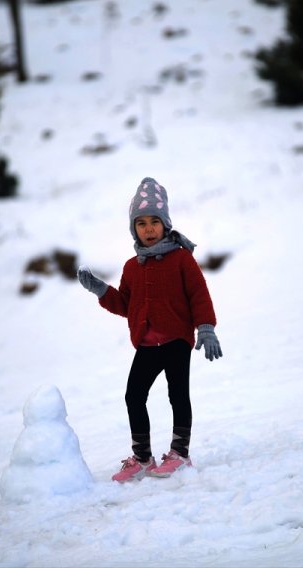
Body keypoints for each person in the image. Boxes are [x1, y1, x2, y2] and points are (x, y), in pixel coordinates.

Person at [77, 177, 223, 482]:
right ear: (134, 228)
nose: (148, 229)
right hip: (147, 344)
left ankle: (180, 454)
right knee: (134, 395)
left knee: (177, 394)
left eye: (154, 221)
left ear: (166, 223)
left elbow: (199, 294)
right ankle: (143, 457)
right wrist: (101, 290)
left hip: (176, 340)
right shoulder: (132, 267)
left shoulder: (181, 259)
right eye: (141, 223)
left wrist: (206, 328)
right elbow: (125, 305)